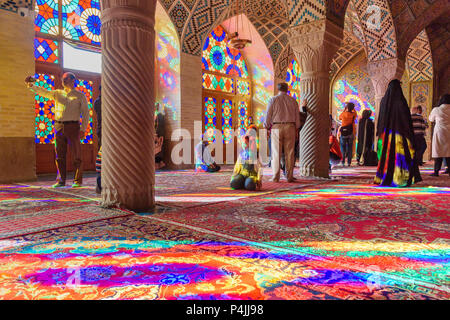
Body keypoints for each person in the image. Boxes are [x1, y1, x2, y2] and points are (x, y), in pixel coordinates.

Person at [25, 72, 89, 188]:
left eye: (67, 79)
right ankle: (61, 181)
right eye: (63, 79)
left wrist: (83, 129)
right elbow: (44, 92)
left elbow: (86, 114)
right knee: (59, 155)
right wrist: (32, 86)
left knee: (77, 155)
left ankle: (77, 181)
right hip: (58, 127)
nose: (64, 81)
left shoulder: (80, 95)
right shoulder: (57, 93)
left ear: (73, 80)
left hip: (73, 127)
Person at [374, 79, 422, 187]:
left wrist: (380, 133)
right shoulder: (401, 101)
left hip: (386, 135)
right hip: (401, 135)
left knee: (387, 157)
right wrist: (409, 135)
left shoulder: (384, 101)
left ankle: (384, 177)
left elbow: (380, 119)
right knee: (400, 157)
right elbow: (406, 121)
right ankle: (400, 178)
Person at [264, 82, 301, 182]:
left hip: (276, 126)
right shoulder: (293, 101)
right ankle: (289, 176)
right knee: (290, 153)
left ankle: (276, 177)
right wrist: (296, 127)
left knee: (276, 153)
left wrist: (266, 126)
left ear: (278, 89)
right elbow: (297, 117)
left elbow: (268, 114)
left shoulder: (273, 100)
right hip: (290, 127)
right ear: (287, 89)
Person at [428, 94, 450, 177]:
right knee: (448, 151)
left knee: (438, 151)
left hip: (440, 132)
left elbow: (431, 119)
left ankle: (436, 171)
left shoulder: (437, 109)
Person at [338, 102, 357, 166]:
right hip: (351, 133)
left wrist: (345, 108)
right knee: (350, 148)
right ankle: (349, 162)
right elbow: (356, 114)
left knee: (342, 148)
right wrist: (353, 109)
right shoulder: (353, 114)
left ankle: (343, 162)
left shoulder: (343, 114)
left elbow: (339, 118)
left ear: (347, 107)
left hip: (343, 133)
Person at [93, 85, 102, 193]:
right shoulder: (98, 102)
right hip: (105, 131)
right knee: (103, 158)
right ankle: (100, 184)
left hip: (105, 131)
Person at [155, 103, 166, 170]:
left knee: (158, 150)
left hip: (159, 135)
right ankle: (159, 163)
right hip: (159, 135)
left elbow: (158, 126)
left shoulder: (159, 116)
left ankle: (158, 164)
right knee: (158, 150)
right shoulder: (160, 115)